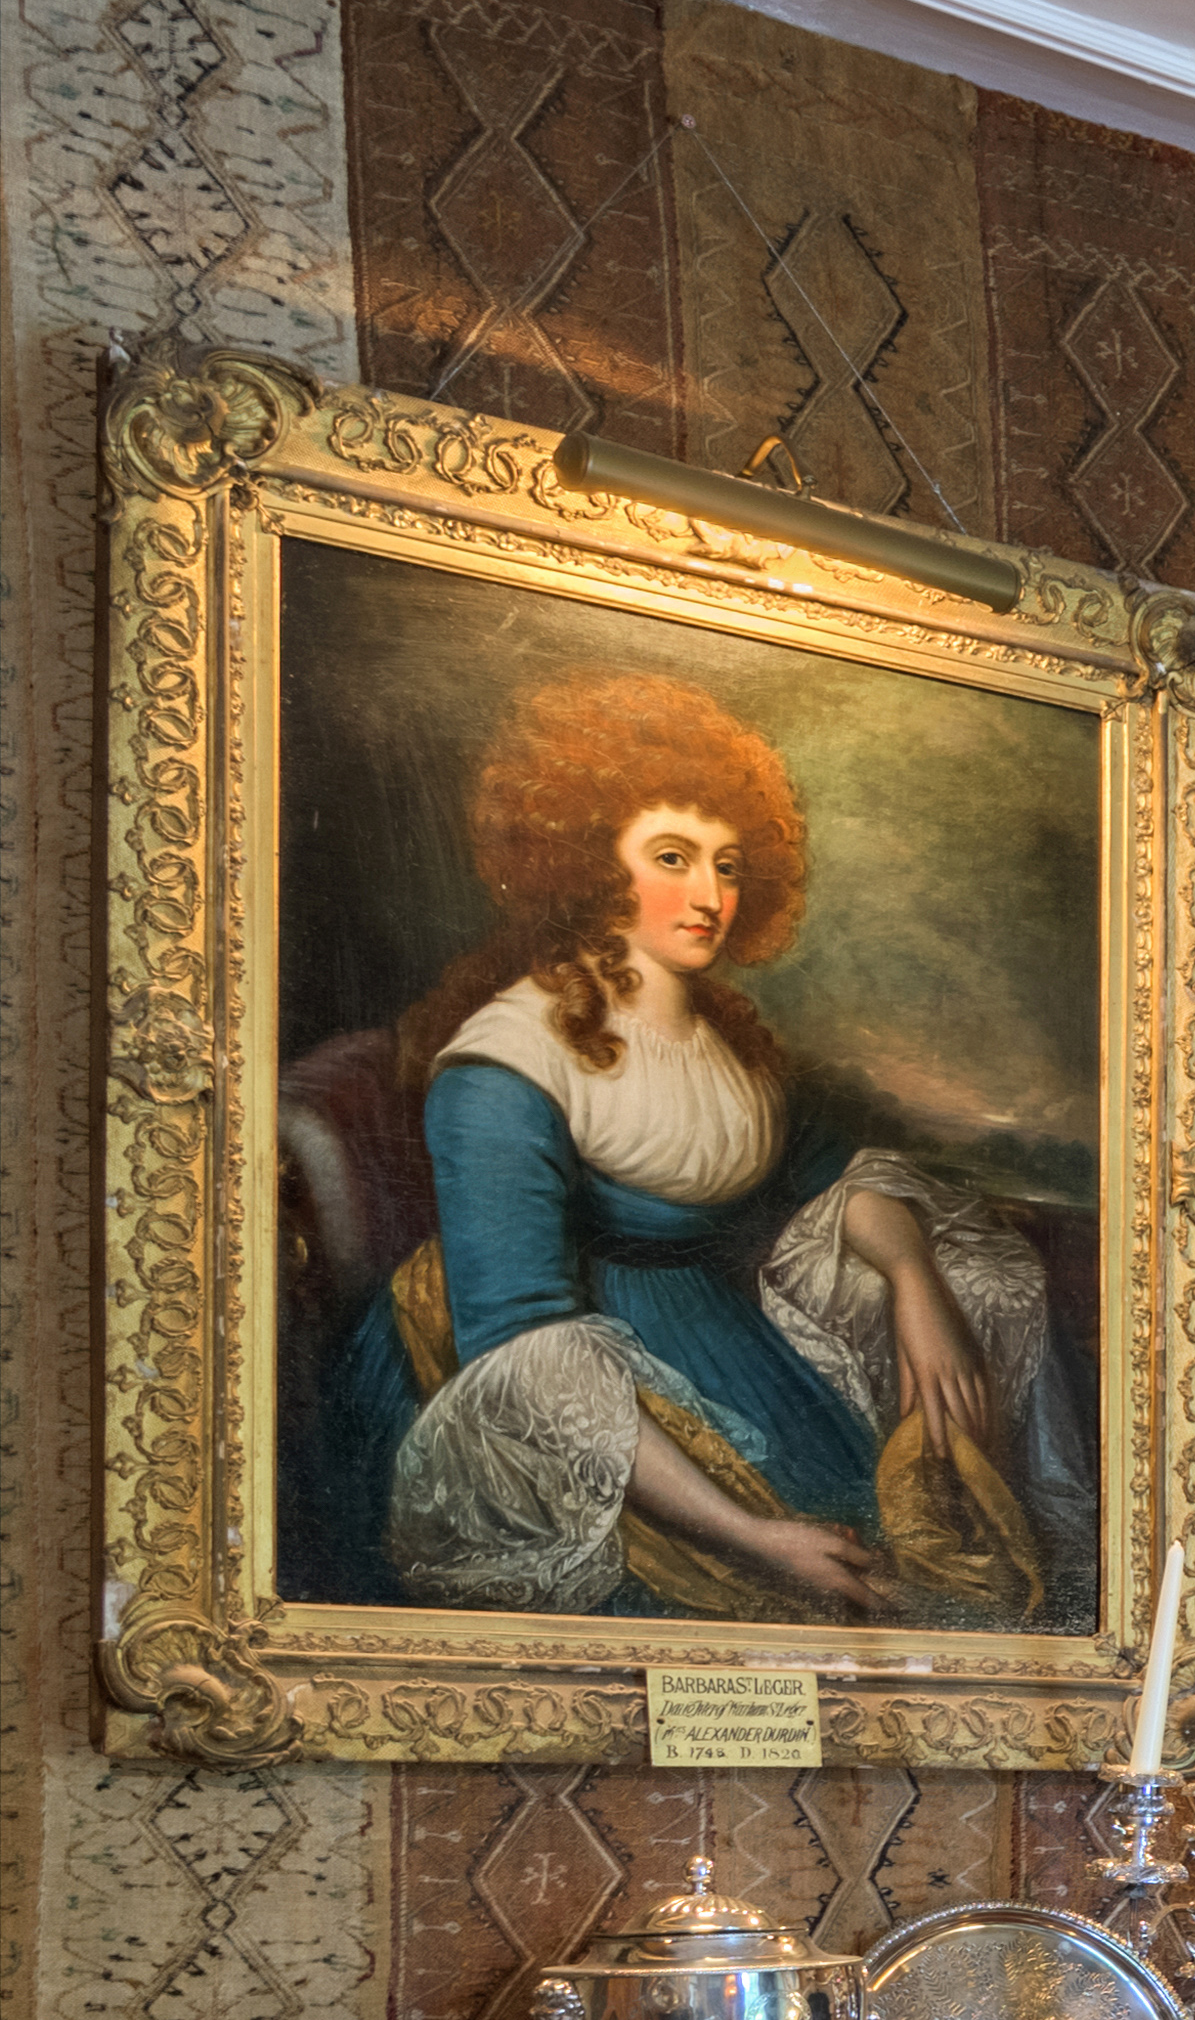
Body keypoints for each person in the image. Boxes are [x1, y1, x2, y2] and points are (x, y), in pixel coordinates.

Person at [291, 669, 1091, 1622]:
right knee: (767, 1580)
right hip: (537, 1375)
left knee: (884, 1567)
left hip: (715, 1331)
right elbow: (523, 1339)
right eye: (671, 856)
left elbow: (834, 1176)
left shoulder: (730, 1042)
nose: (710, 892)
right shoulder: (508, 1061)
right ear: (592, 861)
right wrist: (749, 1535)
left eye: (728, 862)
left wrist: (915, 1280)